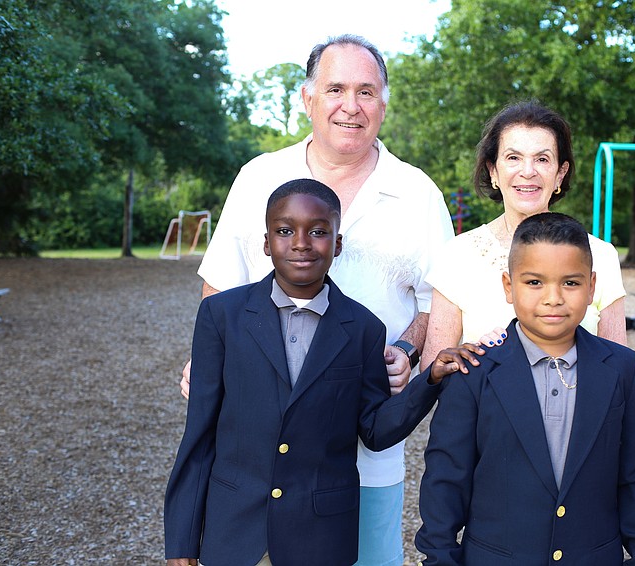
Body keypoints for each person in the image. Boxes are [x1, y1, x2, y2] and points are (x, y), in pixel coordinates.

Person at [181, 35, 454, 565]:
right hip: (260, 457)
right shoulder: (258, 177)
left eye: (366, 91)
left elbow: (437, 304)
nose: (351, 106)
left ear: (384, 103)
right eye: (336, 89)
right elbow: (220, 285)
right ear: (307, 98)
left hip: (366, 456)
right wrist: (209, 358)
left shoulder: (419, 194)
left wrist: (406, 349)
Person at [165, 179, 462, 566]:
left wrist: (431, 380)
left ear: (337, 244)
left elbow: (374, 430)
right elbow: (199, 435)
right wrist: (182, 541)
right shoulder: (222, 315)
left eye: (318, 231)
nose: (301, 242)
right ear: (266, 243)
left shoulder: (363, 329)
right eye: (285, 231)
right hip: (235, 532)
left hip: (320, 536)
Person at [415, 212, 635, 565]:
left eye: (570, 283)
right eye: (534, 282)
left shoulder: (623, 369)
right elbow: (445, 480)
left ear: (592, 286)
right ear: (508, 286)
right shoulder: (473, 373)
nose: (553, 298)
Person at [421, 101, 627, 369]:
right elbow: (432, 371)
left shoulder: (599, 255)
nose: (527, 171)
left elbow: (618, 371)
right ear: (493, 171)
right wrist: (475, 359)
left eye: (542, 159)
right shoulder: (458, 255)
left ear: (560, 174)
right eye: (513, 158)